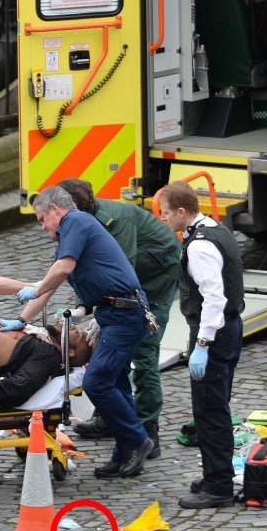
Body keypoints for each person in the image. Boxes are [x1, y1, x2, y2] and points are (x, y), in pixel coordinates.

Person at [0, 186, 154, 479]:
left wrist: (36, 288)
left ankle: (138, 440)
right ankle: (124, 454)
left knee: (97, 382)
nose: (43, 226)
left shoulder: (76, 222)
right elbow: (54, 280)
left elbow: (60, 271)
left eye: (43, 218)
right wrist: (20, 320)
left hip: (124, 315)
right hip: (114, 314)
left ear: (56, 209)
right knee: (116, 383)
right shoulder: (74, 230)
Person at [57, 178, 181, 457]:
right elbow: (87, 270)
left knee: (144, 350)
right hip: (128, 283)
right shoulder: (81, 222)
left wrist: (99, 312)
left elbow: (119, 271)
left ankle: (148, 428)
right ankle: (112, 418)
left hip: (156, 276)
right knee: (114, 346)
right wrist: (85, 307)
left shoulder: (115, 221)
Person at [160, 181, 244, 509]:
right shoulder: (215, 228)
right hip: (230, 327)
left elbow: (214, 297)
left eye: (166, 213)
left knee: (209, 411)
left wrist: (202, 344)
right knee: (216, 406)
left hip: (215, 332)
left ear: (182, 212)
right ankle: (215, 475)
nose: (163, 219)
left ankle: (219, 487)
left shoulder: (199, 246)